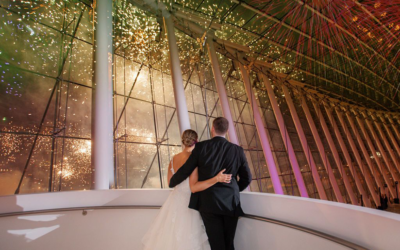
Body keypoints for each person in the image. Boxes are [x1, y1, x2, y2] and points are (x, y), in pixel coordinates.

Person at [169, 117, 252, 250]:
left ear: (212, 129)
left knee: (216, 244)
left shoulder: (201, 147)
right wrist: (233, 189)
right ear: (227, 131)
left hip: (208, 203)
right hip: (230, 202)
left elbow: (186, 169)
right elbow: (247, 178)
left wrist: (173, 182)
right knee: (229, 243)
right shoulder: (237, 150)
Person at [142, 129, 232, 250]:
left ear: (183, 141)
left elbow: (170, 182)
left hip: (175, 201)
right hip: (191, 202)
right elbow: (194, 186)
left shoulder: (174, 159)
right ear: (197, 141)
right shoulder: (195, 159)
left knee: (170, 235)